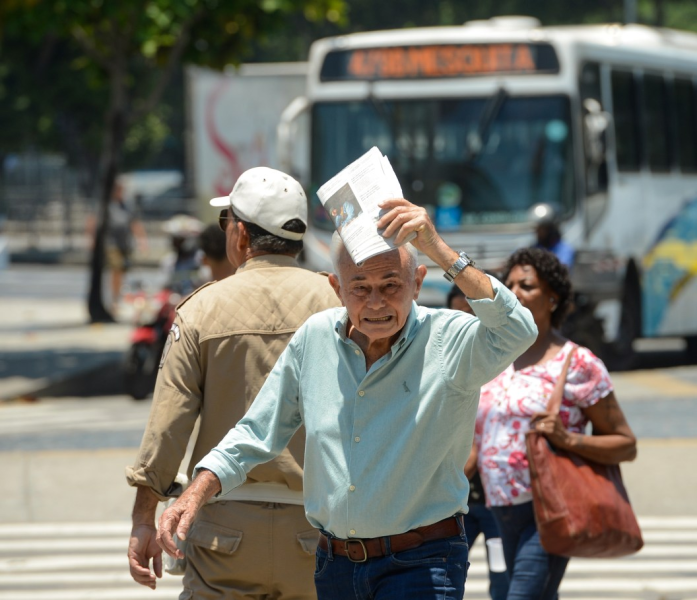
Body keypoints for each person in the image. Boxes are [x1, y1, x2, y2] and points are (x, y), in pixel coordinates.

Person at [155, 198, 539, 600]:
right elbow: (257, 431)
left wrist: (438, 247)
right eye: (360, 288)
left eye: (391, 285)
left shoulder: (449, 339)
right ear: (336, 288)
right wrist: (196, 491)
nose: (375, 303)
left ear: (418, 282)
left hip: (423, 561)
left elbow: (517, 331)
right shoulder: (314, 337)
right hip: (335, 565)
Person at [125, 166, 342, 599]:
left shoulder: (202, 309)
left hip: (222, 527)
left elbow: (169, 425)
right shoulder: (339, 303)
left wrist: (144, 519)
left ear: (240, 235)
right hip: (318, 526)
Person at [474, 247, 637, 600]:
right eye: (509, 284)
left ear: (553, 299)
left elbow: (625, 443)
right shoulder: (491, 356)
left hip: (547, 509)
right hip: (494, 510)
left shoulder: (577, 363)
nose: (514, 292)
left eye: (527, 286)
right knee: (505, 594)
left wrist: (567, 439)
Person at [448, 284, 510, 600]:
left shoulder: (505, 367)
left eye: (473, 313)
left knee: (502, 580)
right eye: (458, 312)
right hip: (458, 505)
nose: (466, 320)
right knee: (447, 578)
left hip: (497, 502)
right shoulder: (443, 366)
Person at [96, 180, 147, 309]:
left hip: (125, 243)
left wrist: (142, 241)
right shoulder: (107, 205)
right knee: (116, 269)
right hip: (111, 243)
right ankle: (114, 299)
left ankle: (116, 296)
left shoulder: (127, 205)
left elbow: (135, 223)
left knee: (121, 272)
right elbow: (94, 221)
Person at [531, 205, 574, 270]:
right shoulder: (534, 248)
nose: (537, 233)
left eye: (542, 229)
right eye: (537, 229)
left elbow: (562, 270)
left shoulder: (564, 250)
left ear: (550, 229)